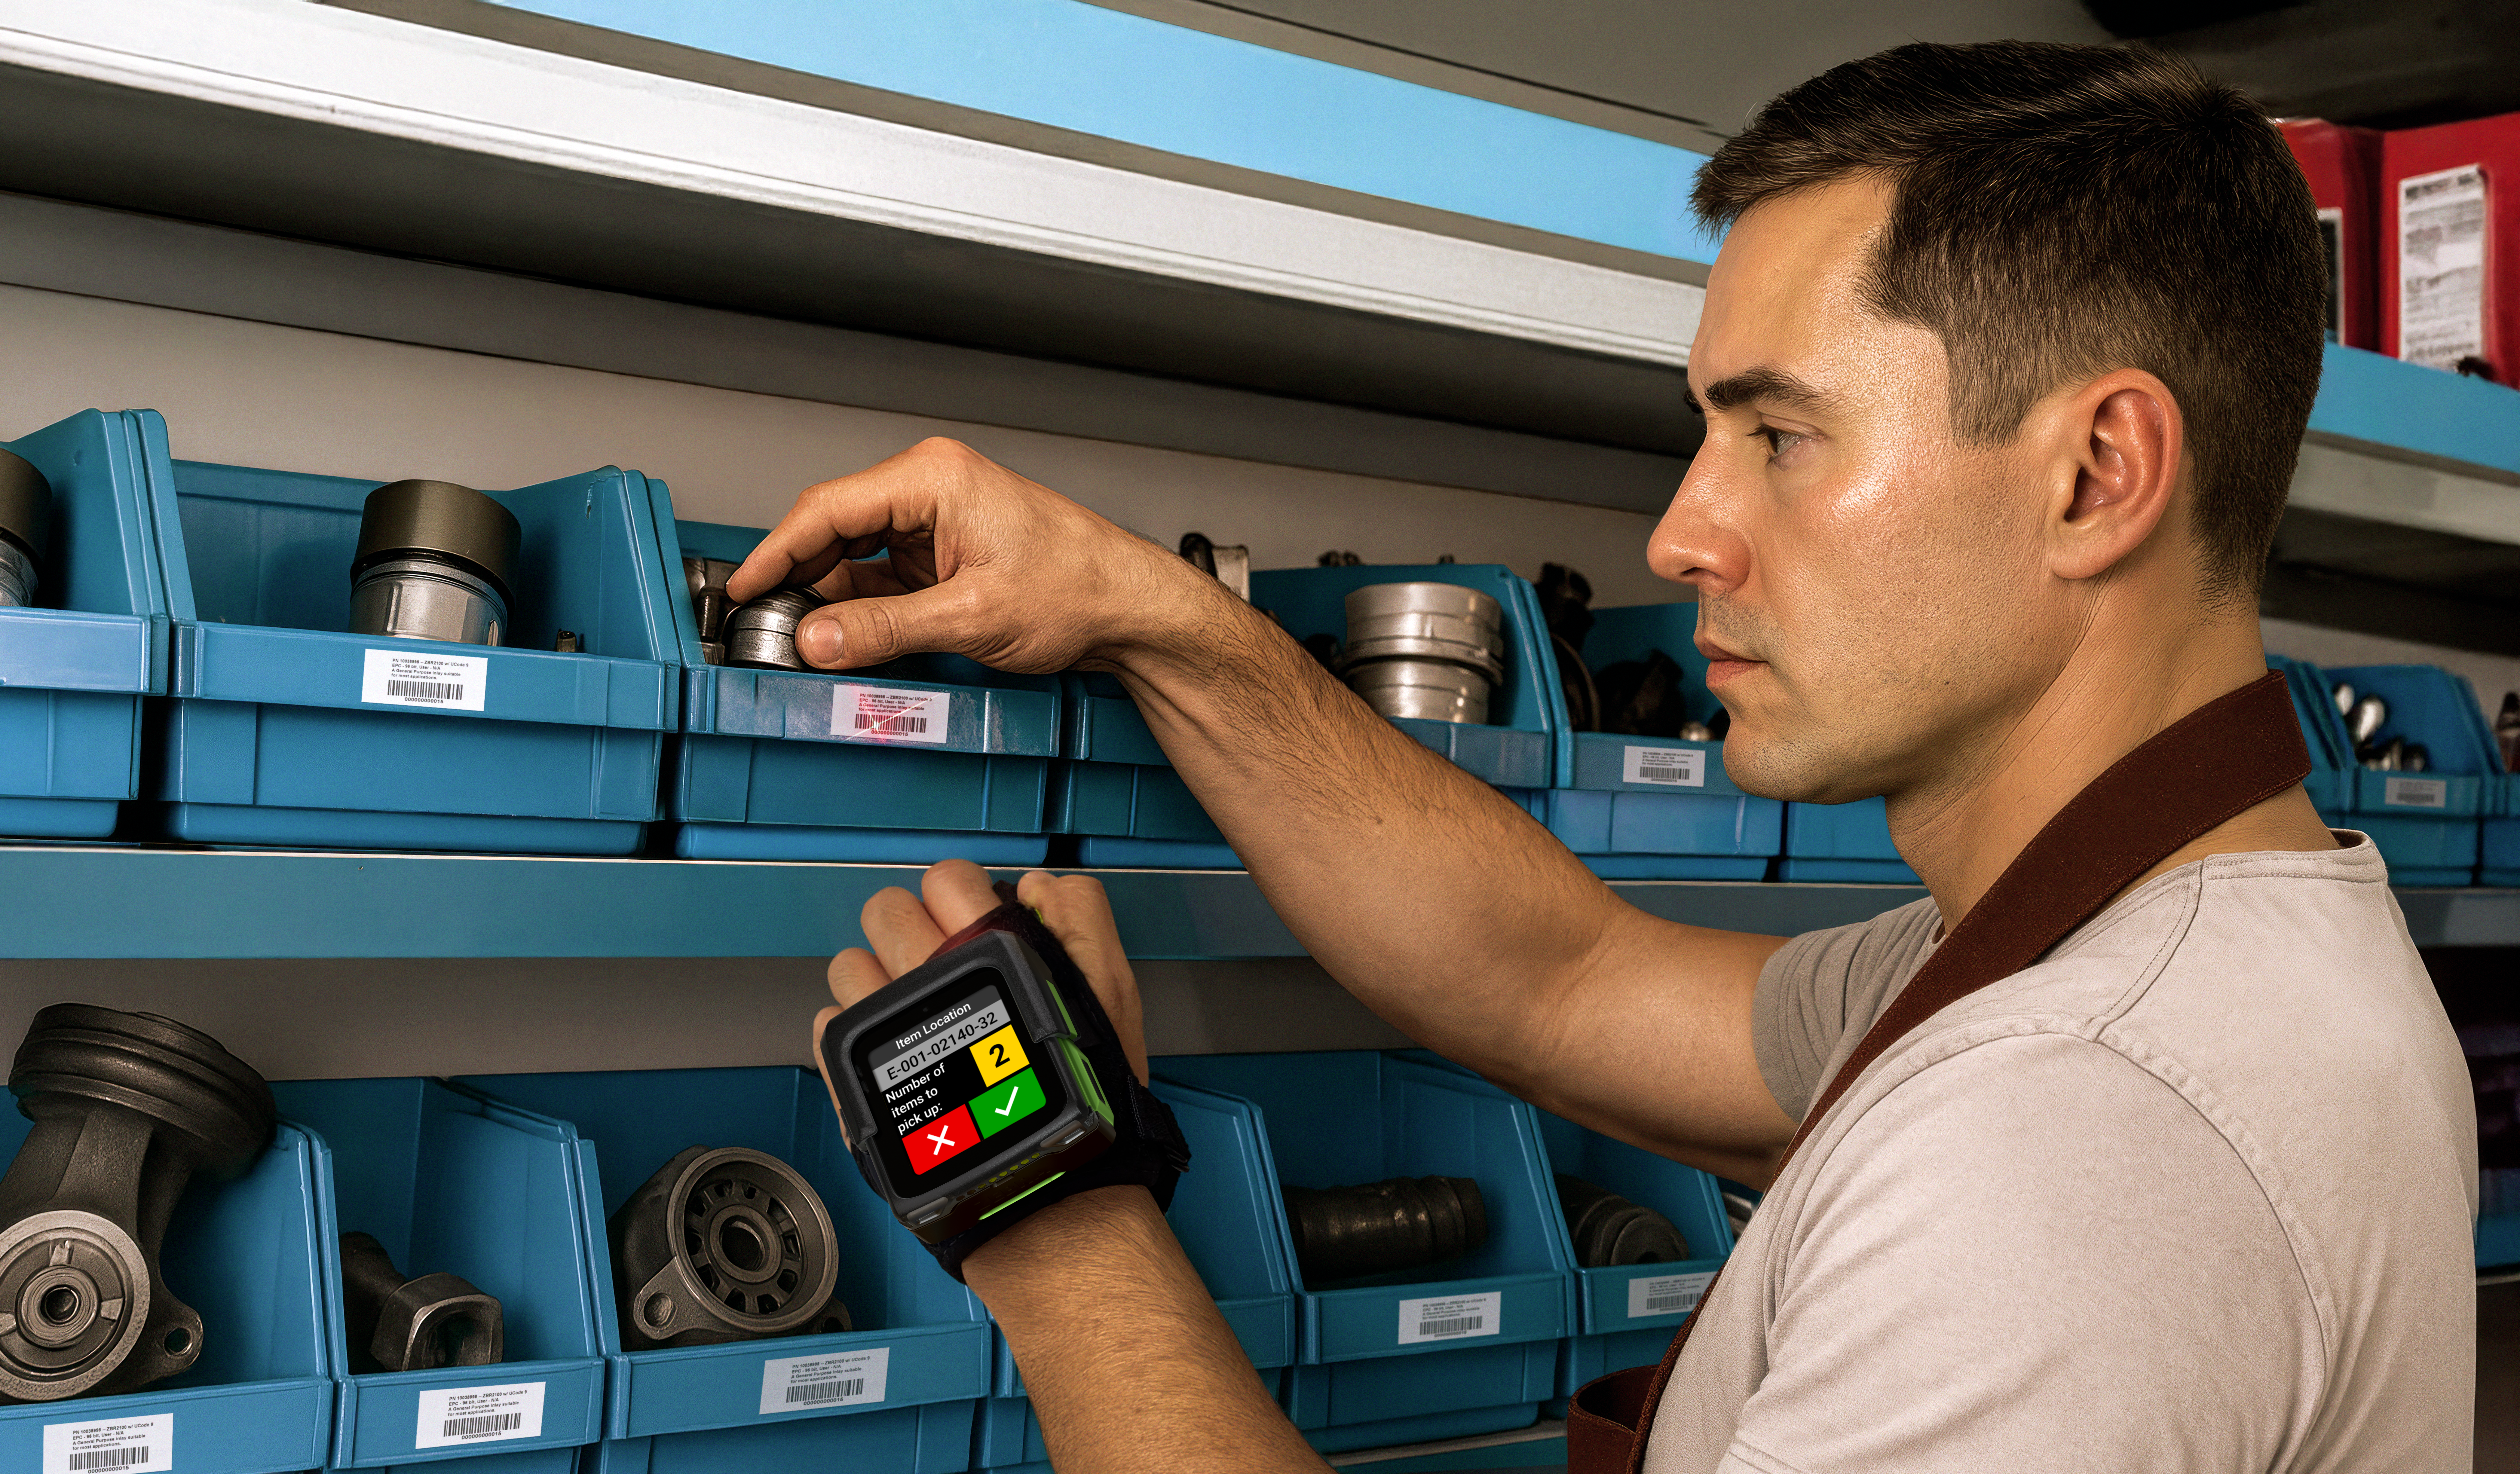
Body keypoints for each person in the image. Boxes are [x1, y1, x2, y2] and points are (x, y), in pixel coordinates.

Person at [737, 40, 2478, 1474]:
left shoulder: (2076, 1132)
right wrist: (1151, 616)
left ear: (2097, 473)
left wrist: (1055, 1220)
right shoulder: (2166, 950)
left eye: (1780, 434)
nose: (1683, 531)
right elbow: (1559, 979)